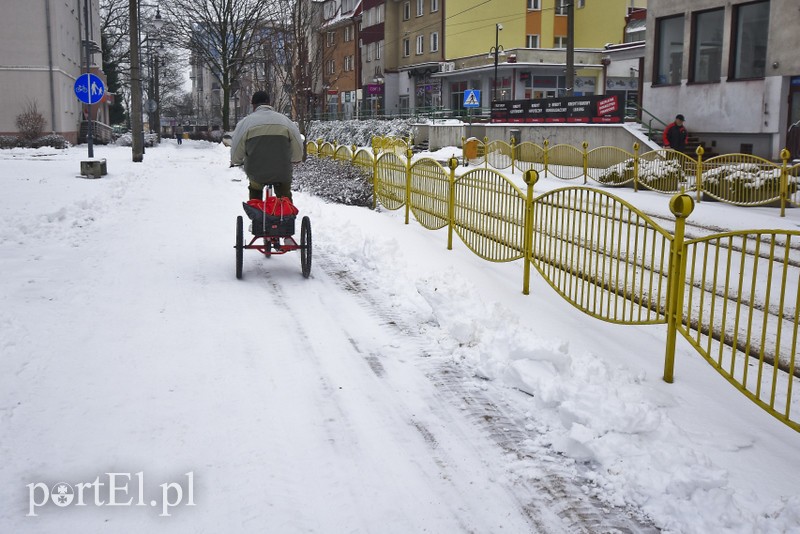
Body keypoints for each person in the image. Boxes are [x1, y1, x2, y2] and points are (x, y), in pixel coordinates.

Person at [230, 91, 304, 201]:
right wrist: (296, 159)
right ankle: (286, 212)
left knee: (255, 189)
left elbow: (236, 147)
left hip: (256, 172)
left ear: (253, 105)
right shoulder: (285, 121)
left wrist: (236, 160)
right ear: (269, 103)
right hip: (281, 171)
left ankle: (256, 213)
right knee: (284, 194)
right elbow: (297, 142)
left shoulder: (245, 123)